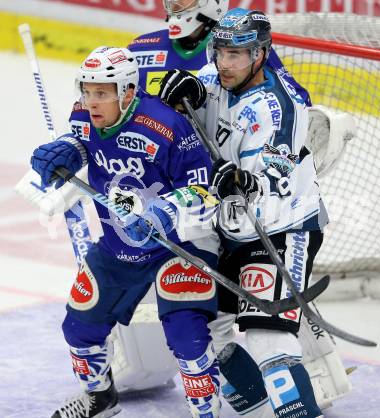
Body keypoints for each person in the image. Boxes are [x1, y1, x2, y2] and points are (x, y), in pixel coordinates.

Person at [30, 46, 222, 418]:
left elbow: (205, 189)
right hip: (119, 245)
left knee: (187, 336)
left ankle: (206, 413)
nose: (90, 102)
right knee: (78, 327)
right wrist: (66, 150)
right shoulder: (83, 116)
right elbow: (84, 143)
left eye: (101, 92)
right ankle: (100, 400)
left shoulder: (168, 125)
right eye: (86, 91)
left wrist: (163, 212)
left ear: (128, 92)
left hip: (177, 246)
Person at [159, 8, 329, 418]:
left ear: (261, 53)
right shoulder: (213, 77)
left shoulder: (281, 109)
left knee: (268, 338)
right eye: (220, 52)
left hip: (280, 227)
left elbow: (271, 184)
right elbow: (192, 115)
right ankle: (254, 406)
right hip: (225, 228)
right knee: (198, 324)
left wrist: (242, 181)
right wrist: (179, 99)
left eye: (237, 55)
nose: (225, 63)